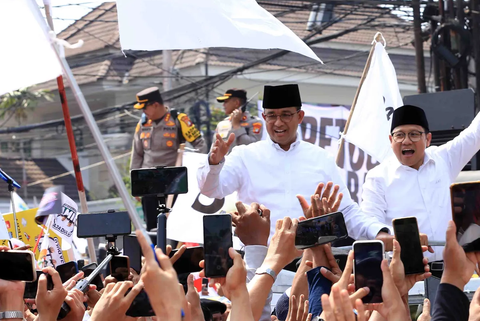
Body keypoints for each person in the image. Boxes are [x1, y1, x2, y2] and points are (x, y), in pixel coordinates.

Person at [198, 84, 389, 243]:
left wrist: (378, 232)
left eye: (286, 115)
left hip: (308, 263)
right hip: (258, 263)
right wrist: (214, 163)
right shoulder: (245, 156)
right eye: (272, 115)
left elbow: (346, 211)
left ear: (299, 116)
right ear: (264, 118)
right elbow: (211, 190)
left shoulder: (321, 158)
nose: (278, 122)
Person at [361, 104, 480, 260]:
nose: (406, 141)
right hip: (406, 274)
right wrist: (404, 238)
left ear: (428, 139)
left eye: (414, 134)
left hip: (450, 269)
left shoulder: (444, 159)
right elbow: (368, 228)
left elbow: (474, 134)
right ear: (391, 140)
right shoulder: (377, 177)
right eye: (399, 135)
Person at [130, 86, 207, 230]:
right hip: (149, 182)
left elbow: (200, 145)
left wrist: (192, 168)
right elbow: (137, 154)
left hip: (174, 182)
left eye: (145, 108)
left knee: (176, 225)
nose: (143, 112)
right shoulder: (142, 124)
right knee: (152, 225)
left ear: (155, 104)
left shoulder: (178, 120)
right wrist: (136, 184)